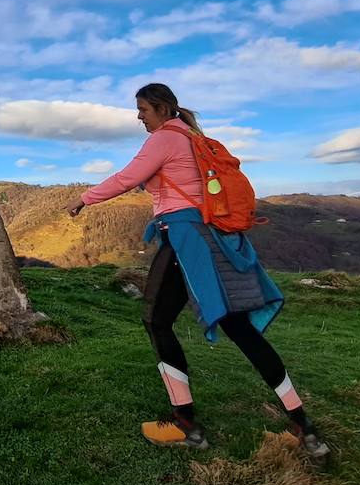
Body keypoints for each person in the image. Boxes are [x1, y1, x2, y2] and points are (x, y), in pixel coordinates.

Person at [63, 83, 330, 459]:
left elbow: (127, 176)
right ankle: (305, 428)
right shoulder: (192, 137)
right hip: (215, 237)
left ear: (160, 107)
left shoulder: (164, 139)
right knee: (240, 327)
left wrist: (82, 199)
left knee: (157, 321)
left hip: (186, 240)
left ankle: (186, 425)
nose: (139, 116)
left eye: (142, 109)